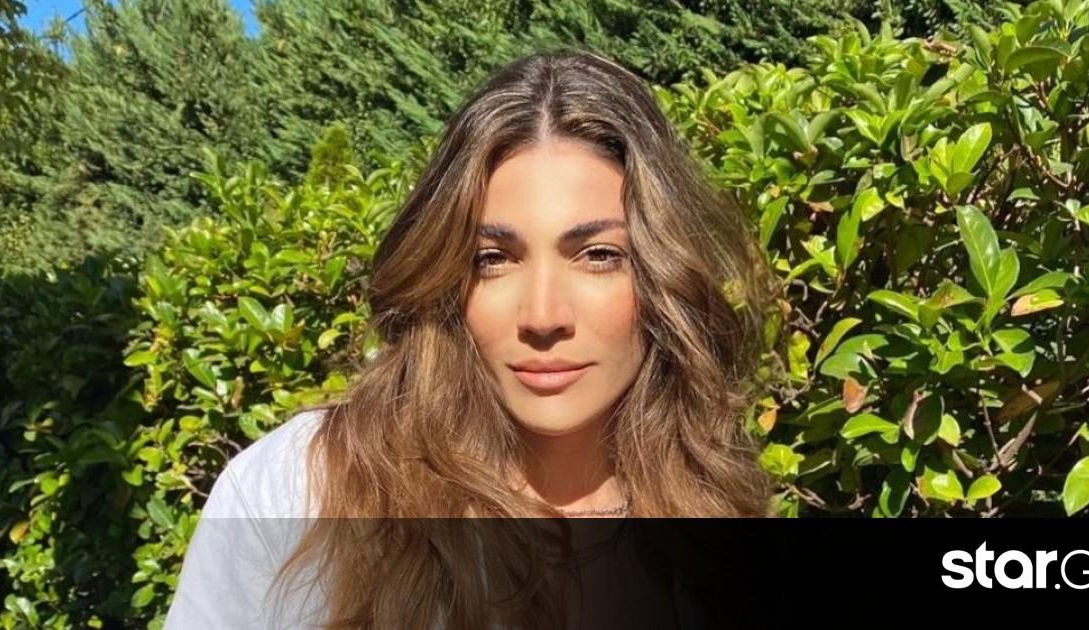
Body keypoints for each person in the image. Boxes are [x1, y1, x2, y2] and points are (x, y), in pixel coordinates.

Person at [165, 46, 776, 630]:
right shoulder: (301, 489)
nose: (543, 315)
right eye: (493, 259)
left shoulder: (711, 509)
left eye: (597, 255)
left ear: (662, 272)